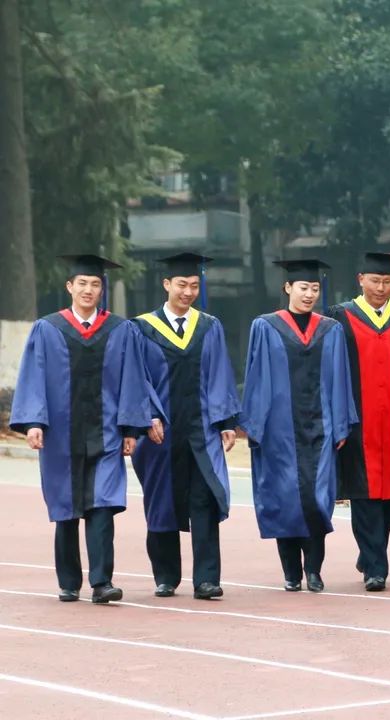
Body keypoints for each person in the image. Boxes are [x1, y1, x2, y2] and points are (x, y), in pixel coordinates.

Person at [9, 254, 158, 603]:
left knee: (102, 506)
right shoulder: (48, 329)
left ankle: (102, 582)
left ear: (102, 289)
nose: (88, 290)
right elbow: (33, 377)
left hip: (107, 434)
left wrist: (130, 430)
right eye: (82, 283)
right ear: (70, 287)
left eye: (95, 284)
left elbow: (132, 381)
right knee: (66, 509)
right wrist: (34, 423)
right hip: (61, 435)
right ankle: (68, 582)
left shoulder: (120, 330)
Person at [241, 259, 357, 592]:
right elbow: (256, 378)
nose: (309, 295)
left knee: (317, 500)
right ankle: (291, 572)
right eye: (303, 288)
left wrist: (341, 423)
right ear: (288, 287)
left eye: (315, 289)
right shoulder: (266, 327)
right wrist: (255, 425)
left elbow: (340, 379)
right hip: (279, 431)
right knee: (285, 500)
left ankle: (314, 570)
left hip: (320, 427)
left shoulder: (330, 329)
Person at [131, 252, 240, 600]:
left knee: (204, 500)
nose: (188, 292)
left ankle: (206, 579)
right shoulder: (142, 328)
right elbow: (136, 377)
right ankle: (166, 576)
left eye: (194, 285)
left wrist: (225, 421)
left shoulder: (209, 326)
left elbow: (220, 374)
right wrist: (148, 415)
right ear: (167, 284)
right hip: (160, 434)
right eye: (182, 284)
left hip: (200, 432)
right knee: (161, 503)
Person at [329, 252, 390, 592]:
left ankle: (372, 549)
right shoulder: (340, 317)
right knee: (363, 492)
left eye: (387, 282)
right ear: (361, 280)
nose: (381, 288)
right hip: (358, 420)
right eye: (374, 281)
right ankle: (375, 567)